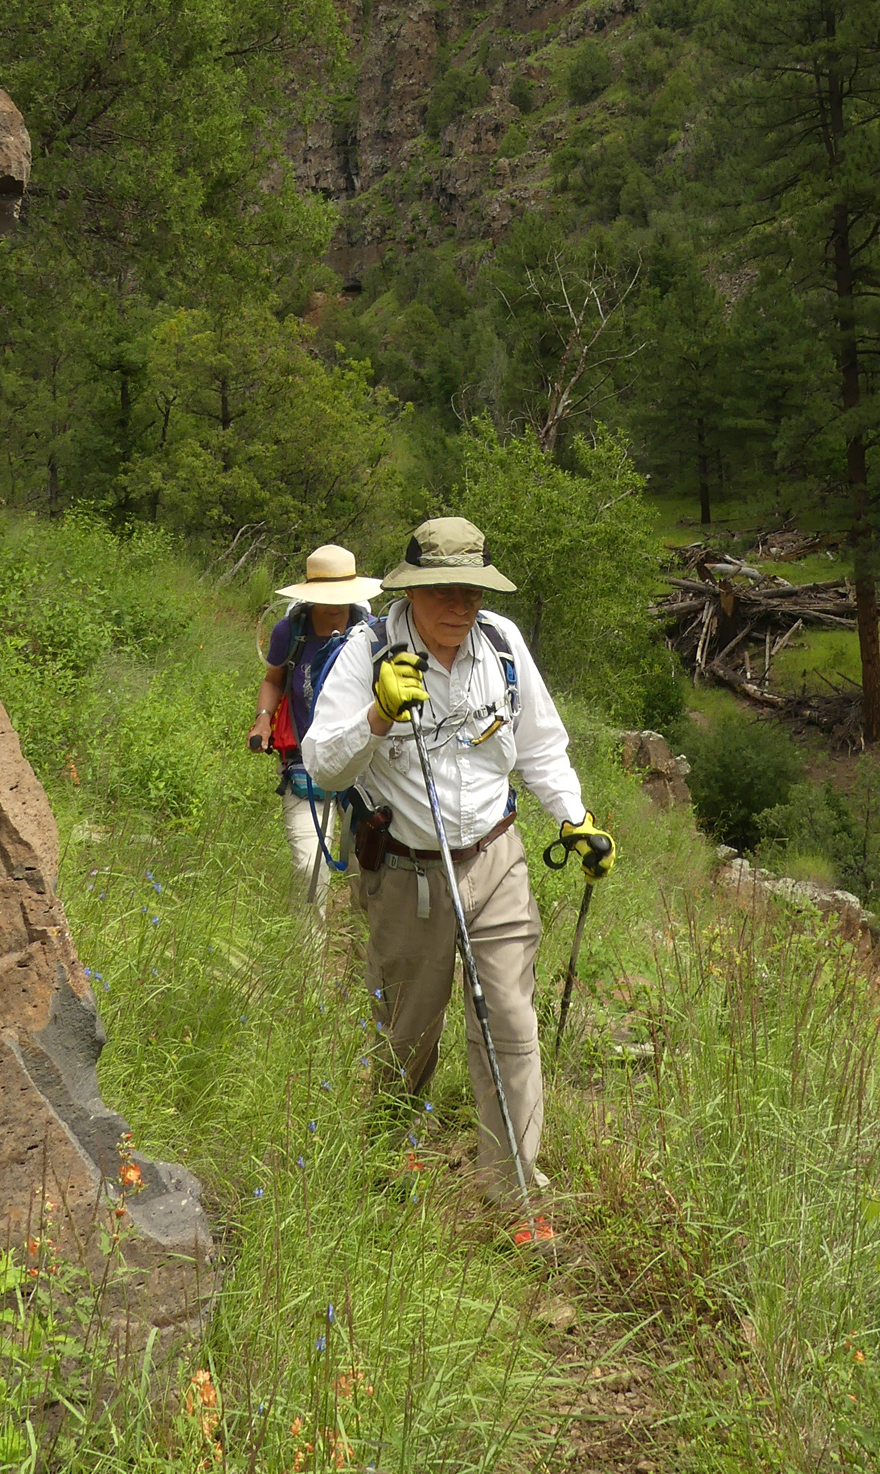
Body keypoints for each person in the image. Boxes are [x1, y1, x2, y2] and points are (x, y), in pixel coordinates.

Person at [302, 515, 614, 1236]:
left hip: (496, 857)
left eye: (470, 589)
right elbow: (323, 766)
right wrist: (378, 713)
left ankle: (516, 1189)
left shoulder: (501, 644)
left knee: (508, 1017)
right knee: (408, 1027)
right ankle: (393, 1150)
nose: (459, 605)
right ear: (412, 590)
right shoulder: (366, 651)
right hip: (405, 868)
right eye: (443, 589)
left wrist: (574, 818)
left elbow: (540, 744)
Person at [250, 543, 382, 912]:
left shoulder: (373, 634)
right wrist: (263, 719)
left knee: (370, 878)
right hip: (304, 764)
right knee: (310, 868)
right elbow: (274, 679)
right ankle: (309, 964)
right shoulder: (289, 632)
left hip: (364, 770)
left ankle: (366, 963)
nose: (335, 603)